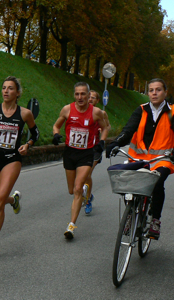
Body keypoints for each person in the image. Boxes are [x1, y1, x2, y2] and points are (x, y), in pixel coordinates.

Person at [106, 78, 174, 240]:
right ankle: (131, 213)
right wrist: (116, 142)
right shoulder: (141, 110)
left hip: (162, 158)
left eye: (158, 90)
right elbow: (128, 130)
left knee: (157, 183)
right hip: (138, 157)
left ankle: (155, 220)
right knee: (127, 182)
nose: (154, 93)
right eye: (151, 90)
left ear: (165, 92)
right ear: (147, 93)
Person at [0, 76, 39, 261]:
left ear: (17, 93)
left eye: (10, 88)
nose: (5, 91)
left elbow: (35, 132)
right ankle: (14, 201)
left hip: (12, 159)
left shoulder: (25, 113)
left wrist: (27, 145)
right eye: (3, 88)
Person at [52, 82, 108, 239]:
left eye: (83, 94)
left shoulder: (96, 112)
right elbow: (56, 126)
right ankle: (84, 193)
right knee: (72, 190)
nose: (80, 97)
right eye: (77, 94)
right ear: (74, 95)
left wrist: (102, 142)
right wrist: (56, 134)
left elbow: (105, 128)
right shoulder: (67, 109)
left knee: (77, 189)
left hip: (86, 154)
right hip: (70, 153)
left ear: (88, 95)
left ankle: (71, 226)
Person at [81, 90, 111, 214]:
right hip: (82, 147)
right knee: (80, 177)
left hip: (95, 148)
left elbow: (107, 126)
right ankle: (89, 194)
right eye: (89, 97)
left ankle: (87, 200)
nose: (90, 99)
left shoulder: (101, 113)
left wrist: (102, 133)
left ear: (97, 101)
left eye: (93, 97)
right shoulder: (80, 111)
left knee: (87, 174)